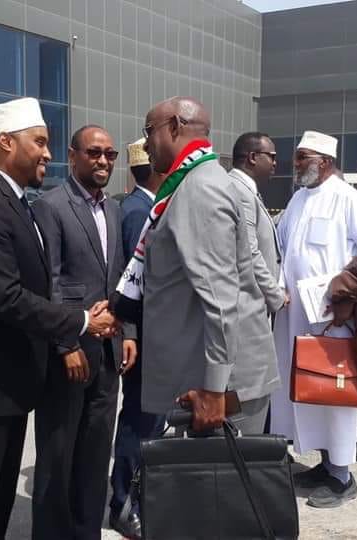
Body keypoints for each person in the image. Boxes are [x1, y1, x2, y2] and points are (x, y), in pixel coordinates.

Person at [0, 97, 117, 540]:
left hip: (6, 383)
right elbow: (7, 297)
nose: (47, 154)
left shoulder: (12, 200)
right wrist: (80, 323)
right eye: (40, 142)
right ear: (6, 143)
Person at [113, 96, 280, 436]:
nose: (145, 144)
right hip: (205, 376)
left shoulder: (201, 188)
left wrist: (215, 388)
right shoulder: (192, 181)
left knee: (224, 472)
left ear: (174, 126)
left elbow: (220, 296)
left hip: (223, 387)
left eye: (149, 131)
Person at [270, 131, 357, 508]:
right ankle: (324, 464)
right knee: (308, 393)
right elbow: (282, 249)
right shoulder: (298, 199)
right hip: (295, 318)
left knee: (335, 395)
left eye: (301, 158)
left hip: (333, 321)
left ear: (323, 161)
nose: (295, 165)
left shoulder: (349, 200)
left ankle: (342, 476)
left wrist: (349, 304)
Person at [30, 125, 135, 540]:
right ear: (72, 156)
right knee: (58, 456)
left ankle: (86, 531)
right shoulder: (51, 206)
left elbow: (122, 278)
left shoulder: (114, 209)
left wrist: (128, 332)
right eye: (94, 153)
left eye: (110, 154)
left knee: (94, 456)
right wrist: (65, 344)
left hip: (108, 354)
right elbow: (49, 283)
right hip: (70, 354)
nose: (103, 161)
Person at [108, 138, 167, 539]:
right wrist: (132, 334)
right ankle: (123, 502)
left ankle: (138, 496)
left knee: (151, 421)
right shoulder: (137, 212)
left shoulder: (145, 206)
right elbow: (130, 283)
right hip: (142, 338)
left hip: (152, 336)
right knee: (139, 421)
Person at [229, 131, 287, 315]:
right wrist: (276, 295)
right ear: (253, 157)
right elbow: (249, 251)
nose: (275, 163)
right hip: (249, 305)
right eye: (272, 156)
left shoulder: (244, 189)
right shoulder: (240, 192)